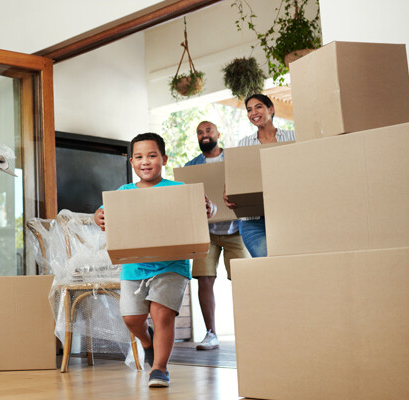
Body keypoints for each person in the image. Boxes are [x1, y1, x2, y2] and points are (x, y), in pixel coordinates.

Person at [94, 132, 215, 388]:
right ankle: (147, 342)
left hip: (172, 264)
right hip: (134, 266)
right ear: (131, 163)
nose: (145, 161)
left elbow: (205, 209)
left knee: (162, 315)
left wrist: (209, 209)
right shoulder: (123, 193)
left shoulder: (177, 189)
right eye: (139, 157)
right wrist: (99, 217)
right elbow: (105, 214)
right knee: (131, 318)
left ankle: (159, 369)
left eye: (152, 156)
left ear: (164, 158)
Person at [184, 121, 249, 351]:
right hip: (207, 233)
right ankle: (211, 333)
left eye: (208, 131)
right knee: (204, 279)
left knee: (243, 280)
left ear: (218, 134)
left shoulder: (233, 160)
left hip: (236, 230)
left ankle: (249, 330)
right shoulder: (191, 167)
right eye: (200, 132)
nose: (204, 135)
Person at [224, 93, 296, 257]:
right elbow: (236, 175)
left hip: (286, 213)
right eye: (249, 110)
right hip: (253, 220)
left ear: (270, 109)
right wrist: (228, 191)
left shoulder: (292, 137)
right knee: (266, 262)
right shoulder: (244, 144)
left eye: (258, 107)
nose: (253, 113)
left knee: (288, 260)